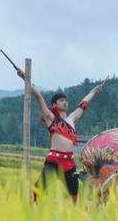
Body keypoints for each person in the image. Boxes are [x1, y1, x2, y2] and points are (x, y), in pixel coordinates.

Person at [15, 68, 104, 202]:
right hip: (54, 161)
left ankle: (78, 219)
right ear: (54, 104)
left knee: (75, 196)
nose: (65, 102)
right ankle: (30, 215)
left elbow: (83, 105)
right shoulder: (51, 118)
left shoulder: (72, 119)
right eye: (61, 100)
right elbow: (39, 96)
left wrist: (93, 91)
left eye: (65, 100)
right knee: (37, 191)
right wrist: (26, 79)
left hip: (69, 163)